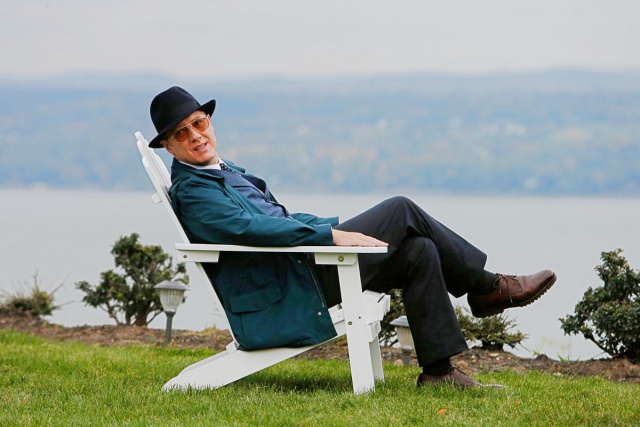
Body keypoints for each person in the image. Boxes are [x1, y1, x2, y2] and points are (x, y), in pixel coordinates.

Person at [148, 86, 557, 389]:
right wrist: (328, 235)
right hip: (289, 289)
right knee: (401, 209)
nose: (195, 135)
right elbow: (252, 230)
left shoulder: (221, 172)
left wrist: (333, 230)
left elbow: (278, 218)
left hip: (296, 271)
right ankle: (487, 287)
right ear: (168, 146)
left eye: (199, 123)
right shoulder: (195, 191)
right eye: (181, 133)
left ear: (210, 122)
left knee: (419, 249)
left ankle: (439, 372)